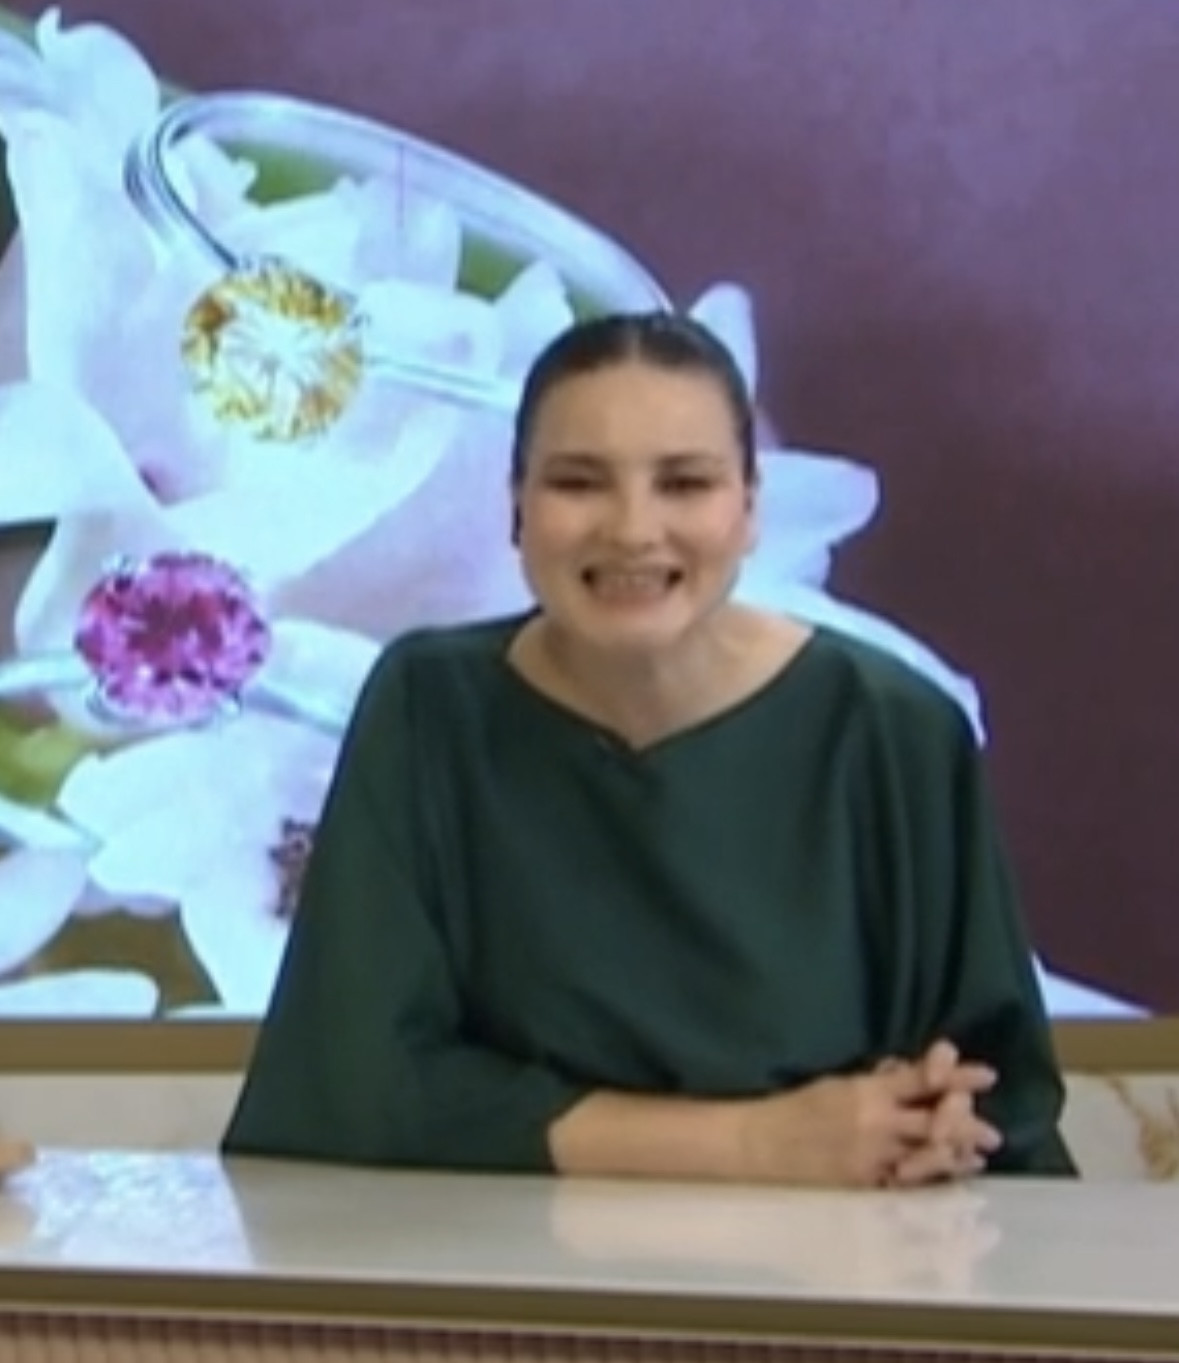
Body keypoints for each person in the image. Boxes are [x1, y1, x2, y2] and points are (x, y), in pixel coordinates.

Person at [222, 311, 1075, 1187]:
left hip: (844, 1257)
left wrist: (934, 1127)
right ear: (515, 507)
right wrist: (758, 1143)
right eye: (578, 482)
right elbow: (357, 1090)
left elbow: (994, 1095)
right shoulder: (427, 708)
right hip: (497, 1262)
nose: (632, 529)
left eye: (684, 483)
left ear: (750, 509)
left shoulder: (892, 732)